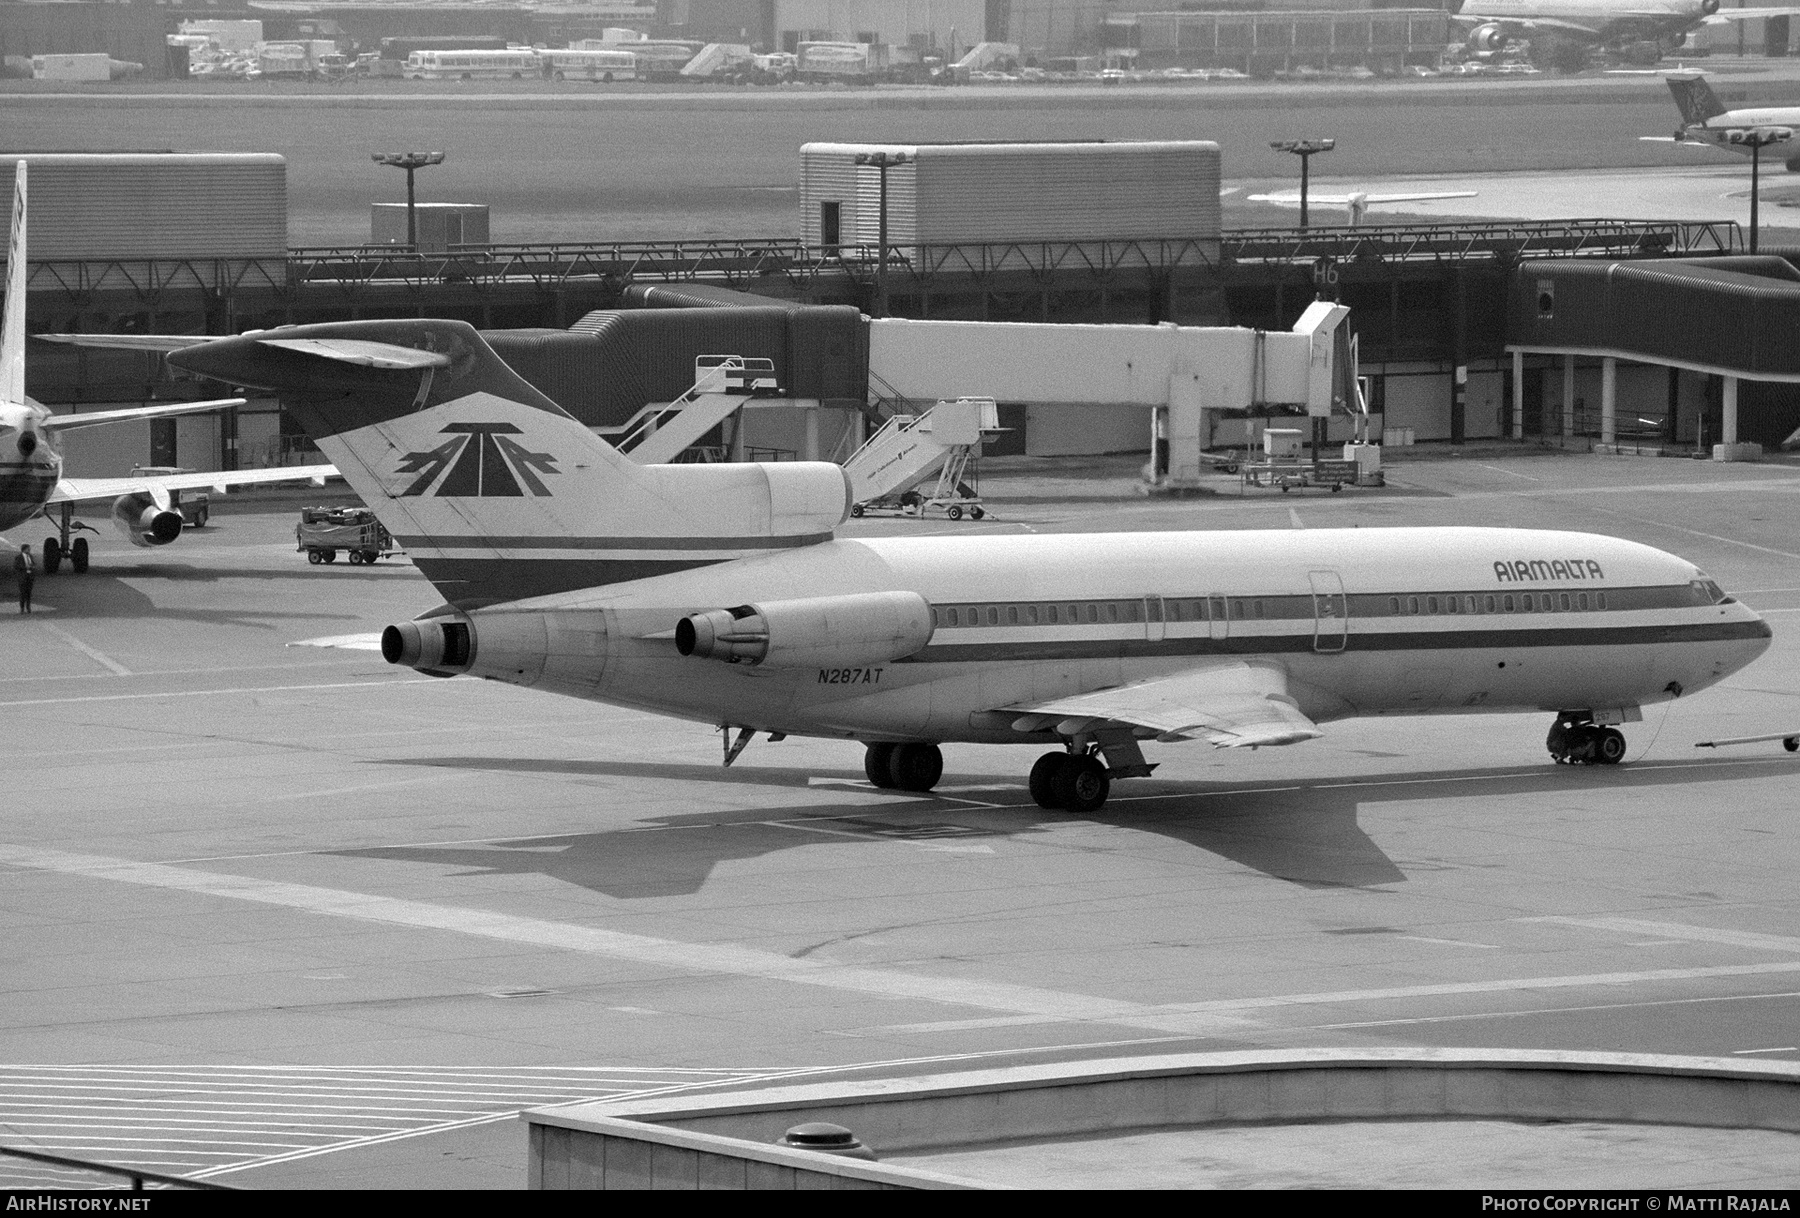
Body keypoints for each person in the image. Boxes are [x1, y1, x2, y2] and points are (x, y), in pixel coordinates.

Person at [14, 542, 34, 615]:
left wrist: (32, 566)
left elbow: (33, 563)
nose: (29, 550)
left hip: (30, 577)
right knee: (22, 594)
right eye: (28, 549)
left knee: (29, 594)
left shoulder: (30, 556)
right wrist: (25, 567)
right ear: (24, 550)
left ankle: (28, 608)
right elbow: (16, 566)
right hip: (22, 578)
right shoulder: (18, 557)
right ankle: (22, 608)